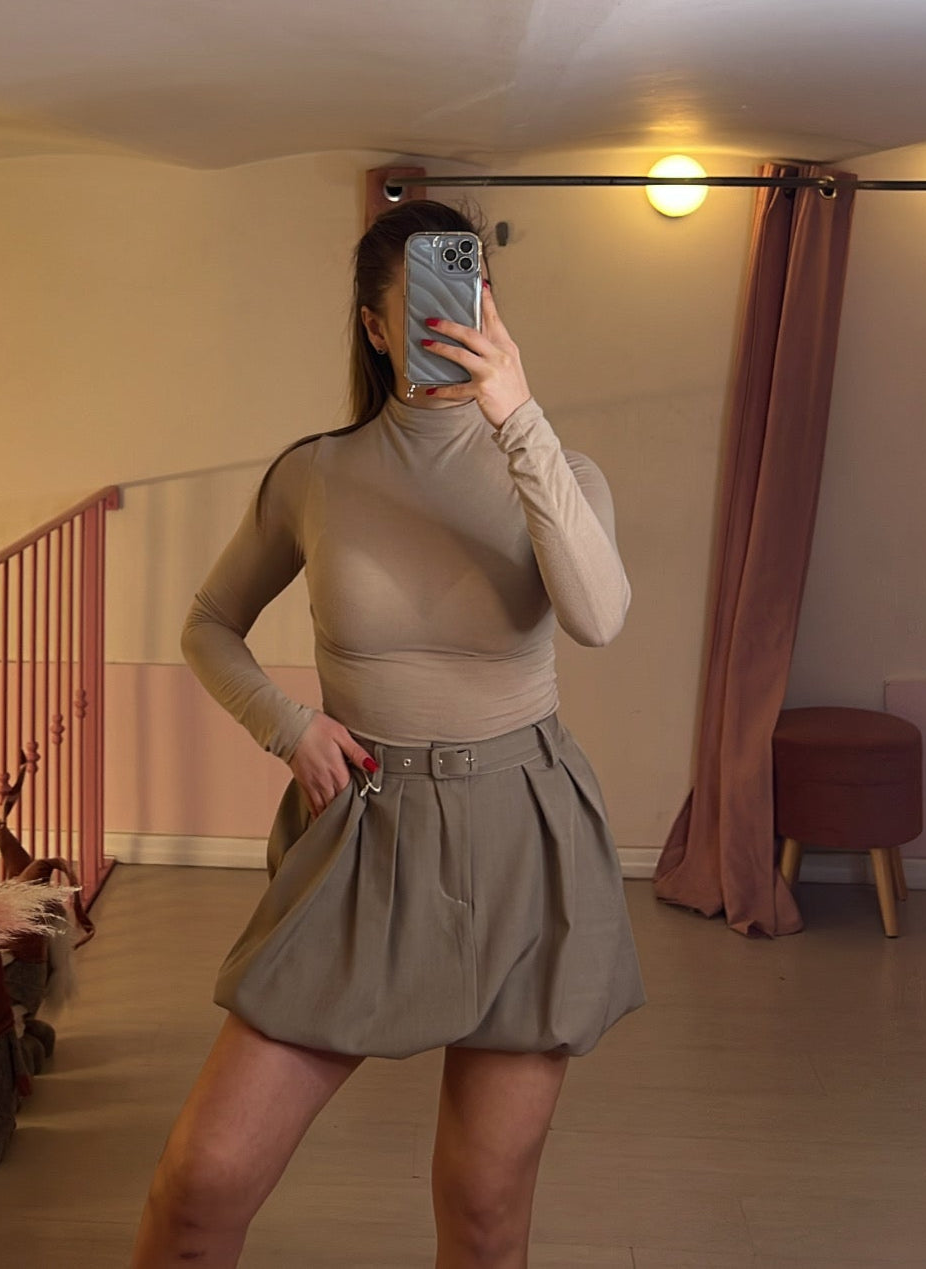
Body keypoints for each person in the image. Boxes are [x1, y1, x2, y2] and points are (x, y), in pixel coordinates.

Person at [130, 199, 646, 1269]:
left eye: (473, 294)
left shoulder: (557, 468)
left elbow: (599, 619)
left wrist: (518, 416)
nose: (456, 319)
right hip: (364, 833)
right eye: (425, 303)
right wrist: (288, 726)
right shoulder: (315, 474)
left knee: (486, 1214)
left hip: (523, 836)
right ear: (375, 326)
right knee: (200, 1185)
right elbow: (209, 623)